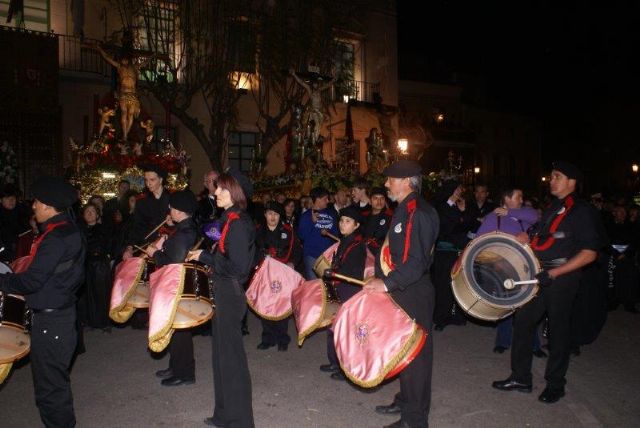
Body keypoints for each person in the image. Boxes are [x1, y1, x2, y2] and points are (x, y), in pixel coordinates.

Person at [492, 161, 601, 404]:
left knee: (558, 332)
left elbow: (589, 253)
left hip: (562, 277)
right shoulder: (554, 207)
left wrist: (555, 273)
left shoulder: (582, 211)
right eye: (551, 176)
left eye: (556, 176)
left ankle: (555, 384)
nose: (551, 180)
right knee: (523, 321)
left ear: (571, 182)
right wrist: (527, 237)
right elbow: (543, 235)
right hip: (539, 274)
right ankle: (521, 377)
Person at [0, 176, 85, 427]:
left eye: (36, 201)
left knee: (50, 393)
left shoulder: (56, 238)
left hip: (52, 323)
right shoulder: (66, 229)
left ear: (48, 205)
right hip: (60, 317)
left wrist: (3, 282)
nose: (33, 206)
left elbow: (32, 281)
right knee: (55, 386)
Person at [364, 160, 439, 428]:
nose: (386, 184)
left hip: (413, 291)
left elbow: (416, 262)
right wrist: (381, 278)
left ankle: (414, 420)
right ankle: (406, 401)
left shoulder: (417, 212)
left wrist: (387, 284)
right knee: (402, 349)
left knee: (416, 357)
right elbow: (395, 254)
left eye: (390, 179)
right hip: (403, 287)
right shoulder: (405, 209)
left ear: (407, 181)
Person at [187, 169, 256, 428]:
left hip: (229, 292)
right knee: (220, 358)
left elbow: (238, 268)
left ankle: (239, 420)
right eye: (217, 188)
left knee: (231, 360)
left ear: (235, 193)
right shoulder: (229, 219)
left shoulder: (238, 223)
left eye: (222, 189)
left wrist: (205, 257)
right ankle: (224, 414)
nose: (215, 192)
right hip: (223, 290)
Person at [476, 187, 546, 356]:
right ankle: (502, 341)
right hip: (502, 268)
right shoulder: (493, 218)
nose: (522, 200)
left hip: (525, 268)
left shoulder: (522, 215)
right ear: (507, 198)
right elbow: (479, 242)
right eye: (518, 197)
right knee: (506, 306)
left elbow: (535, 216)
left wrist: (509, 214)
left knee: (528, 307)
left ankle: (534, 345)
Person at [146, 189, 199, 386]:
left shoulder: (184, 233)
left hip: (177, 285)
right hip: (180, 284)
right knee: (176, 328)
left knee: (180, 330)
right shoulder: (186, 227)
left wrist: (154, 253)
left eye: (172, 207)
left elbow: (172, 262)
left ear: (179, 210)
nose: (169, 209)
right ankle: (176, 366)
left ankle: (184, 373)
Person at [320, 205, 368, 381]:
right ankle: (334, 361)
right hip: (338, 286)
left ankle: (345, 368)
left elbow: (353, 273)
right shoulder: (345, 241)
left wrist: (334, 272)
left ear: (356, 225)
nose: (342, 224)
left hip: (349, 290)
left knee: (344, 329)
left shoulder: (357, 245)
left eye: (347, 221)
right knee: (332, 325)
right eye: (341, 220)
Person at [254, 201, 302, 352]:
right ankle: (268, 338)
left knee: (281, 306)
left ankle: (283, 339)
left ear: (280, 216)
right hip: (264, 274)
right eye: (269, 213)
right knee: (265, 305)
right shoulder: (258, 231)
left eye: (275, 214)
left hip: (282, 274)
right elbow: (253, 251)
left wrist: (292, 263)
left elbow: (297, 250)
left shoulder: (288, 231)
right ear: (265, 215)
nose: (272, 217)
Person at [432, 180, 474, 330]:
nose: (459, 193)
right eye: (456, 190)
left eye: (460, 190)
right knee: (443, 286)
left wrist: (462, 212)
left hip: (459, 251)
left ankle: (457, 316)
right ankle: (441, 318)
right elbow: (445, 227)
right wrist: (457, 213)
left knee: (458, 285)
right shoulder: (439, 207)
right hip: (444, 253)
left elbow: (468, 225)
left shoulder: (459, 206)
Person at [79, 203, 113, 331]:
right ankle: (89, 320)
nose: (89, 213)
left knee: (102, 292)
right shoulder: (80, 230)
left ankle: (104, 321)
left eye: (92, 211)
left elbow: (107, 245)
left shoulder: (103, 229)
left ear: (98, 214)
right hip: (85, 264)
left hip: (100, 264)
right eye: (87, 211)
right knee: (87, 294)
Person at [298, 187, 339, 280]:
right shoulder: (306, 216)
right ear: (317, 199)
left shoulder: (332, 214)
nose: (328, 201)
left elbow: (336, 235)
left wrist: (329, 233)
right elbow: (301, 236)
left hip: (329, 256)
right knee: (315, 286)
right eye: (325, 199)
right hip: (312, 256)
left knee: (328, 285)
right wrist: (312, 222)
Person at [362, 186, 393, 254]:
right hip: (364, 253)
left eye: (382, 198)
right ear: (370, 201)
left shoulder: (391, 217)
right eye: (375, 198)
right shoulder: (363, 216)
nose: (379, 201)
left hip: (382, 253)